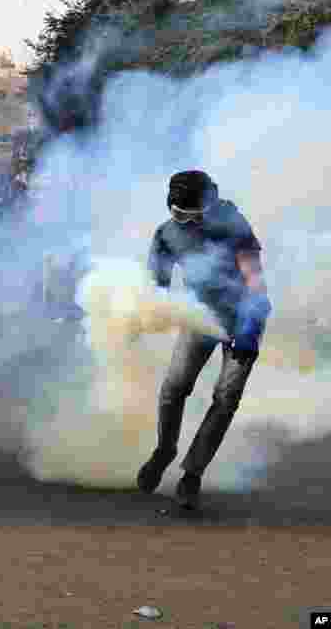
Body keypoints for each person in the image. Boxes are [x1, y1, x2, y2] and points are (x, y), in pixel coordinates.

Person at [137, 170, 271, 509]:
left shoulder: (231, 223)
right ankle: (164, 450)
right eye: (175, 211)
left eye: (188, 213)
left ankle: (192, 475)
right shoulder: (167, 234)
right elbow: (157, 285)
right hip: (202, 318)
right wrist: (144, 309)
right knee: (173, 387)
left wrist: (250, 327)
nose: (180, 219)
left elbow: (254, 279)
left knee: (225, 398)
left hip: (243, 319)